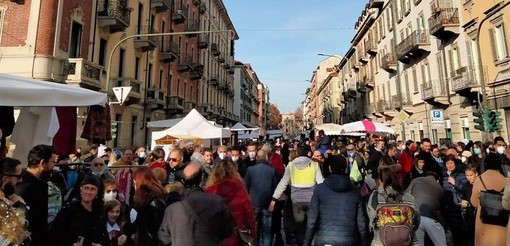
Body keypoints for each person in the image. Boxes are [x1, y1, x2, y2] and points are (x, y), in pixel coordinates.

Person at [158, 163, 235, 246]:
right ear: (202, 179)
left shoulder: (172, 209)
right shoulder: (216, 202)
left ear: (183, 181)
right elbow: (228, 230)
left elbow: (164, 238)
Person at [304, 154, 369, 246]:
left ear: (330, 168)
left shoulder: (320, 189)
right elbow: (362, 224)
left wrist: (306, 243)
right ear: (346, 169)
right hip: (349, 240)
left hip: (325, 239)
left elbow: (312, 221)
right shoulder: (355, 192)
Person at [269, 144, 324, 245]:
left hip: (297, 201)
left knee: (299, 226)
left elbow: (283, 183)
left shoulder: (291, 165)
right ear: (308, 153)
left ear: (297, 153)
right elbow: (321, 183)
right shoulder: (314, 164)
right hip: (311, 200)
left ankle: (301, 243)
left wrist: (274, 198)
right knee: (312, 225)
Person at [205, 160, 257, 246]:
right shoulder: (240, 189)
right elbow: (249, 214)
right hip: (237, 235)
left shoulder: (210, 191)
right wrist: (253, 234)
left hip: (216, 237)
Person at [367, 164, 420, 246]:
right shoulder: (409, 197)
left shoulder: (375, 197)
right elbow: (416, 220)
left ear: (380, 180)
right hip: (407, 240)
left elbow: (371, 220)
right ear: (397, 179)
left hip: (380, 241)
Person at [15, 144, 55, 246]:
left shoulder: (18, 179)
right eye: (52, 162)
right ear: (42, 163)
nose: (53, 166)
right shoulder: (37, 186)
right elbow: (39, 221)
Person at [49, 176, 105, 246]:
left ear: (97, 192)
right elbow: (54, 235)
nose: (88, 192)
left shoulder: (99, 212)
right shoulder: (68, 210)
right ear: (81, 189)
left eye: (92, 189)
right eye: (86, 188)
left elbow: (104, 235)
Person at [471, 153, 507, 246]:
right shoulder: (506, 181)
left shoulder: (479, 179)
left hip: (484, 221)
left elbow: (474, 202)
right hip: (502, 221)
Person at [245, 149, 278, 246]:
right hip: (268, 204)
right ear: (266, 157)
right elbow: (275, 187)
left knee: (255, 230)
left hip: (254, 204)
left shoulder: (250, 170)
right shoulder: (272, 170)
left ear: (256, 157)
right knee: (267, 231)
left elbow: (246, 187)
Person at [407, 172, 446, 246]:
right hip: (431, 218)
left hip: (415, 218)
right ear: (437, 180)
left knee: (418, 244)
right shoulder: (439, 187)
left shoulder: (415, 180)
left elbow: (406, 195)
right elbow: (442, 206)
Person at [132, 166, 166, 245]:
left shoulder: (154, 201)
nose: (134, 186)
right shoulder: (151, 198)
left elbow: (154, 226)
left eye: (135, 183)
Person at [442, 154, 468, 246]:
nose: (450, 165)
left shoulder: (461, 174)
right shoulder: (444, 176)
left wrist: (455, 183)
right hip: (449, 207)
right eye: (447, 163)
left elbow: (466, 189)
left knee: (462, 233)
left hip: (459, 206)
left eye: (451, 163)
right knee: (454, 233)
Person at [462, 164, 478, 246]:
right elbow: (463, 198)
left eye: (471, 175)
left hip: (478, 215)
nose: (469, 177)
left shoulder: (480, 185)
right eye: (467, 175)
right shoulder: (465, 186)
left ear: (476, 174)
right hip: (469, 215)